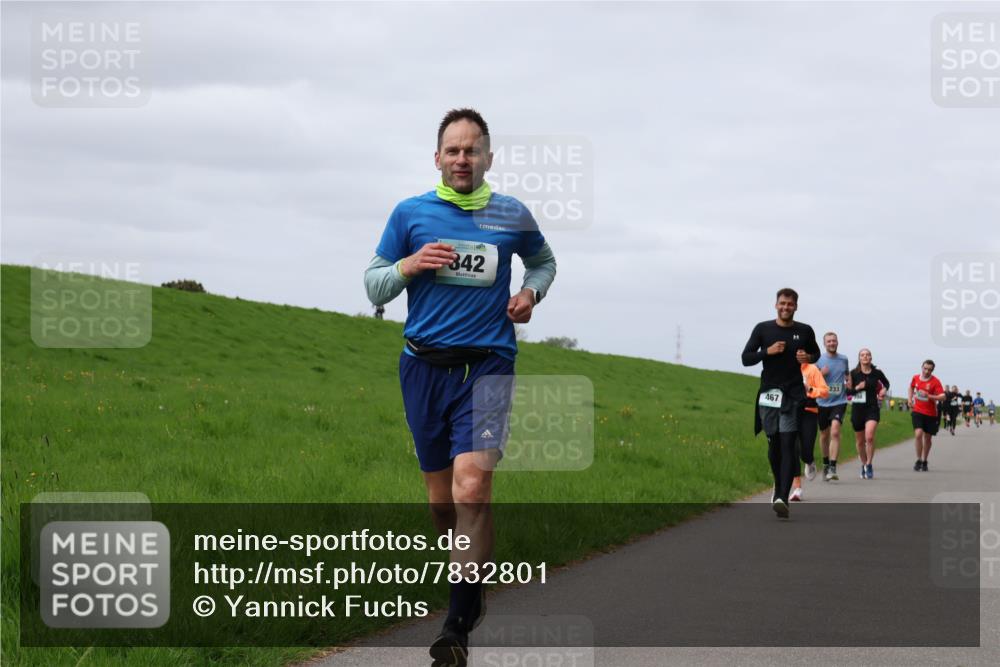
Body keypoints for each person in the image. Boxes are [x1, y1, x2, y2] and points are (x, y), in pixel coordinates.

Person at [364, 108, 557, 665]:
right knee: (441, 503)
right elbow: (373, 284)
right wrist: (409, 265)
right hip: (424, 368)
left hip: (488, 365)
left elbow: (543, 262)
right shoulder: (410, 214)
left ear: (488, 158)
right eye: (453, 150)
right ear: (437, 158)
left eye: (472, 150)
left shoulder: (510, 214)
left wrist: (530, 294)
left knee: (472, 490)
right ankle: (472, 586)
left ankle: (456, 625)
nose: (463, 159)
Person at [741, 288, 820, 518]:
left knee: (787, 444)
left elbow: (815, 353)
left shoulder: (804, 331)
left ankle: (782, 498)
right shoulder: (762, 329)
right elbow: (746, 359)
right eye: (782, 303)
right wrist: (768, 351)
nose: (786, 307)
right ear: (776, 305)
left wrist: (808, 358)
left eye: (790, 304)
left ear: (796, 307)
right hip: (769, 394)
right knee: (774, 445)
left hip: (792, 395)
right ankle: (778, 487)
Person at [847, 349, 890, 479]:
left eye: (867, 355)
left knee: (869, 437)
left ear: (871, 358)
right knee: (860, 441)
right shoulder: (853, 373)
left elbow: (886, 383)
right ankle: (864, 464)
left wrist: (884, 389)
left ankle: (869, 464)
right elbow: (847, 392)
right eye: (862, 355)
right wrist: (858, 388)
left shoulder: (877, 373)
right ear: (859, 358)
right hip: (858, 409)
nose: (865, 356)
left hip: (872, 408)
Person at [790, 361, 829, 501]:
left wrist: (810, 389)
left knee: (805, 450)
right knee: (793, 448)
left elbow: (825, 392)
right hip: (790, 412)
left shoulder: (812, 369)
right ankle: (797, 488)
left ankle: (809, 460)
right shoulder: (785, 367)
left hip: (809, 412)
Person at [816, 332, 849, 481]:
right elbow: (810, 381)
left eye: (834, 341)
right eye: (829, 341)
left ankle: (833, 467)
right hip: (822, 402)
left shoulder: (844, 359)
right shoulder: (818, 360)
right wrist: (820, 374)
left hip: (839, 402)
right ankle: (825, 463)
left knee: (835, 432)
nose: (832, 343)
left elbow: (846, 375)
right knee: (824, 435)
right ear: (824, 344)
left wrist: (849, 381)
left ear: (837, 342)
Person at [909, 360, 946, 472]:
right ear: (922, 367)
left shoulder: (935, 381)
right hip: (917, 411)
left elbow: (943, 397)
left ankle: (925, 460)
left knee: (928, 438)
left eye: (929, 370)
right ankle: (918, 459)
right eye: (925, 368)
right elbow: (911, 387)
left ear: (932, 370)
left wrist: (929, 396)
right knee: (918, 434)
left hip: (930, 413)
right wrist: (909, 399)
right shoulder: (915, 378)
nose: (926, 371)